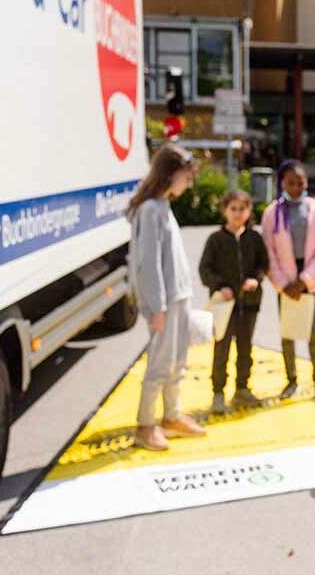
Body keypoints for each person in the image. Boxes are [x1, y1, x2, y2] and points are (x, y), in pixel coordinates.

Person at [126, 144, 208, 451]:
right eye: (187, 176)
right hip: (166, 302)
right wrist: (156, 307)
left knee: (178, 361)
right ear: (171, 173)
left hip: (178, 297)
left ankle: (171, 416)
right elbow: (148, 264)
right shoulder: (150, 210)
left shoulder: (162, 206)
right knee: (160, 363)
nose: (189, 183)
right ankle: (146, 425)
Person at [262, 159, 315, 403]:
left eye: (300, 182)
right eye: (291, 182)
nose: (296, 187)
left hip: (310, 281)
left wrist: (304, 281)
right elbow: (268, 253)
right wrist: (283, 284)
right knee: (288, 333)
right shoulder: (273, 213)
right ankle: (291, 380)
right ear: (282, 183)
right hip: (286, 283)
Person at [198, 190, 270, 414]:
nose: (238, 214)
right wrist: (220, 286)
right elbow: (204, 269)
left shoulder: (254, 238)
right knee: (222, 347)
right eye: (233, 209)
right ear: (224, 211)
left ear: (249, 212)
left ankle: (242, 388)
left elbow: (263, 264)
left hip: (249, 304)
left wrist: (255, 280)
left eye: (242, 209)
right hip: (224, 306)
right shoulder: (216, 239)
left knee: (245, 347)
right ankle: (218, 392)